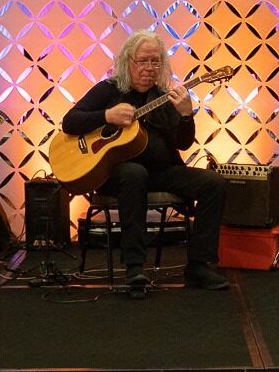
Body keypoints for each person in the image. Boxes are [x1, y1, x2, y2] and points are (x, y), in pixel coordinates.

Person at [61, 31, 228, 299]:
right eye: (142, 61)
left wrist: (186, 115)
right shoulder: (109, 90)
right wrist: (107, 115)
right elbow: (70, 122)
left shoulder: (164, 98)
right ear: (128, 61)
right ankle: (135, 268)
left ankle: (198, 265)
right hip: (115, 174)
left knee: (213, 183)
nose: (149, 68)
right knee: (134, 173)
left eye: (155, 61)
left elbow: (183, 143)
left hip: (161, 172)